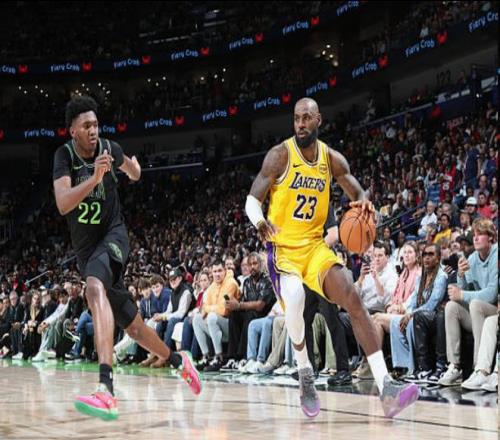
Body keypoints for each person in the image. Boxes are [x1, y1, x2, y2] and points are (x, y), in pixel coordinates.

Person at [245, 97, 419, 419]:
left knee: (352, 294)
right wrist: (259, 222)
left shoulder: (331, 158)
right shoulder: (280, 155)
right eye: (297, 118)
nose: (300, 124)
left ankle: (387, 388)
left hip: (314, 247)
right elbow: (252, 200)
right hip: (282, 249)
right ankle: (305, 372)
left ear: (318, 120)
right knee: (295, 298)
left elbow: (359, 193)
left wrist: (364, 203)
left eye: (306, 118)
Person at [53, 95, 201, 421]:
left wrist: (133, 168)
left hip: (114, 237)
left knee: (94, 288)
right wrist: (94, 179)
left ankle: (105, 388)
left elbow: (134, 174)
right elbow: (63, 203)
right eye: (86, 126)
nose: (93, 130)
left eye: (96, 124)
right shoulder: (64, 156)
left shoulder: (109, 148)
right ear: (73, 131)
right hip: (87, 251)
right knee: (134, 328)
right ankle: (180, 362)